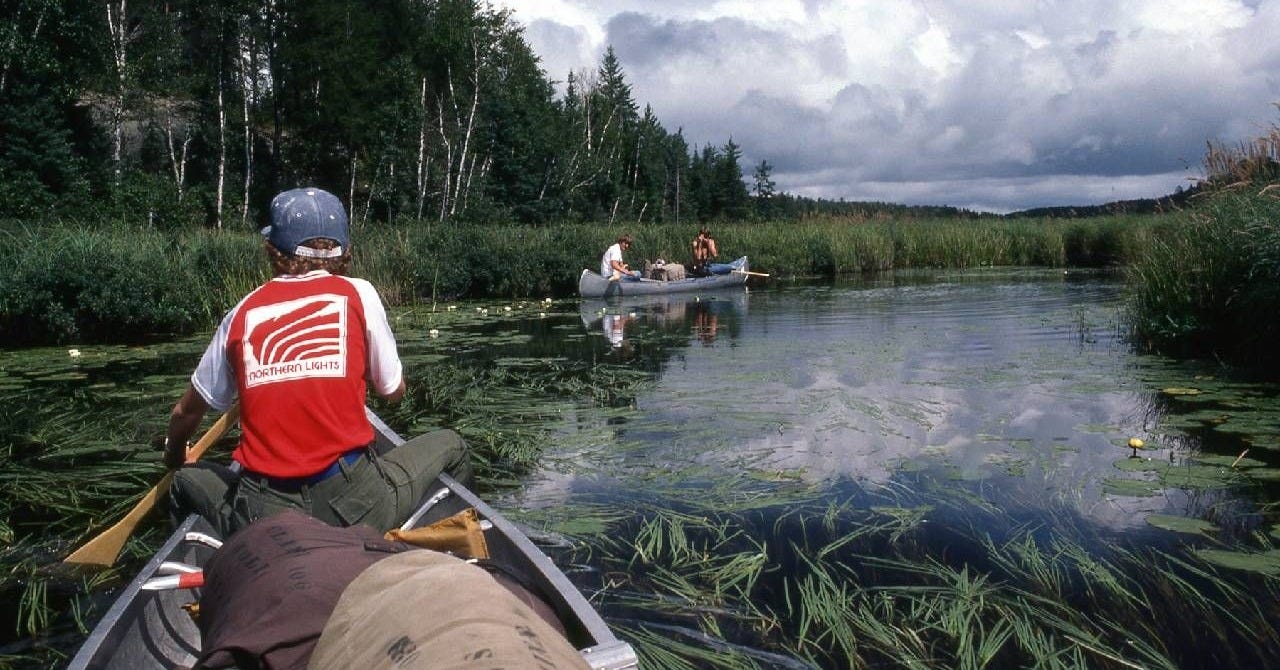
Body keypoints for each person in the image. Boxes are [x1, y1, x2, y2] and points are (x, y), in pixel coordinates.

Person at [163, 187, 473, 536]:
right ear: (343, 251)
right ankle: (424, 546)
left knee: (183, 481)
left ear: (273, 250)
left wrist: (175, 456)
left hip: (264, 514)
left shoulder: (241, 313)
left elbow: (184, 414)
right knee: (453, 444)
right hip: (356, 502)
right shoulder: (360, 293)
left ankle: (230, 569)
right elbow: (394, 392)